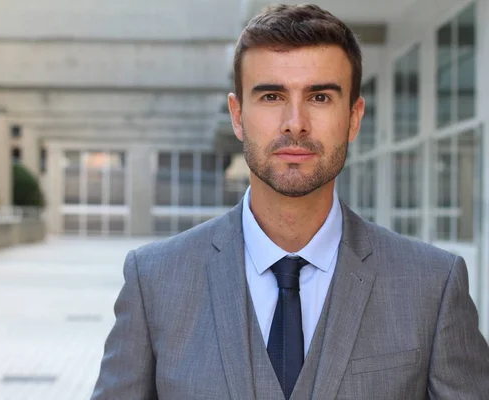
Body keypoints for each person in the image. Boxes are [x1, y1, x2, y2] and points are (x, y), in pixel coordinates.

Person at [91, 4, 489, 399]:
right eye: (271, 96)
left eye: (319, 97)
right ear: (237, 115)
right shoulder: (155, 280)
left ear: (353, 118)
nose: (295, 122)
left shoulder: (433, 286)